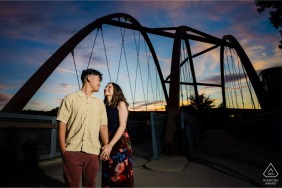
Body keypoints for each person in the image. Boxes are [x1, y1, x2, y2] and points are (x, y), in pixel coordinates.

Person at [56, 69, 109, 187]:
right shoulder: (69, 98)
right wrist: (63, 149)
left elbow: (103, 126)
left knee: (90, 185)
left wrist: (106, 146)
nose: (100, 83)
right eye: (98, 80)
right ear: (89, 78)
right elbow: (62, 124)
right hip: (72, 150)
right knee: (71, 185)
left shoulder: (100, 103)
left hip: (93, 151)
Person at [100, 82, 134, 187]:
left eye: (109, 87)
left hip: (120, 142)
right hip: (107, 140)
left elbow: (122, 125)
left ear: (116, 91)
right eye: (106, 86)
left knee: (120, 173)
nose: (106, 88)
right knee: (108, 171)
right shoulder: (104, 106)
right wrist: (104, 145)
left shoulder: (121, 103)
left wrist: (110, 146)